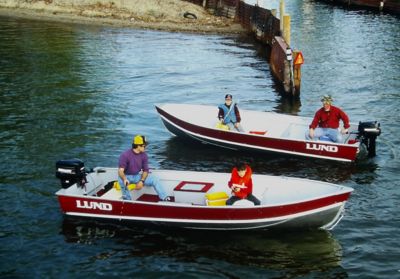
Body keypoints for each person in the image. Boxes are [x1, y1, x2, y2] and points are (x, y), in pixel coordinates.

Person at [118, 135, 170, 201]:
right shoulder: (125, 155)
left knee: (155, 179)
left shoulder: (144, 155)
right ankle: (127, 201)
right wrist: (125, 179)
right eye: (144, 146)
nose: (146, 147)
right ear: (138, 146)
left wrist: (141, 181)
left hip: (136, 176)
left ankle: (164, 198)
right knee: (123, 183)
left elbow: (146, 170)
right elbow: (120, 171)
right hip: (126, 177)